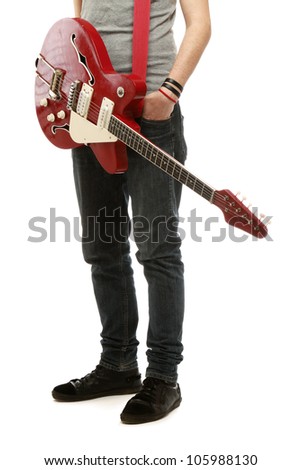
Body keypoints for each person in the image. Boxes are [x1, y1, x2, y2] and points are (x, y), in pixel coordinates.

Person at [52, 0, 211, 424]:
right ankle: (118, 364)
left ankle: (163, 378)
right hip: (91, 112)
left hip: (150, 115)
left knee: (158, 252)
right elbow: (81, 22)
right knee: (102, 248)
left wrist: (170, 91)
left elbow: (201, 24)